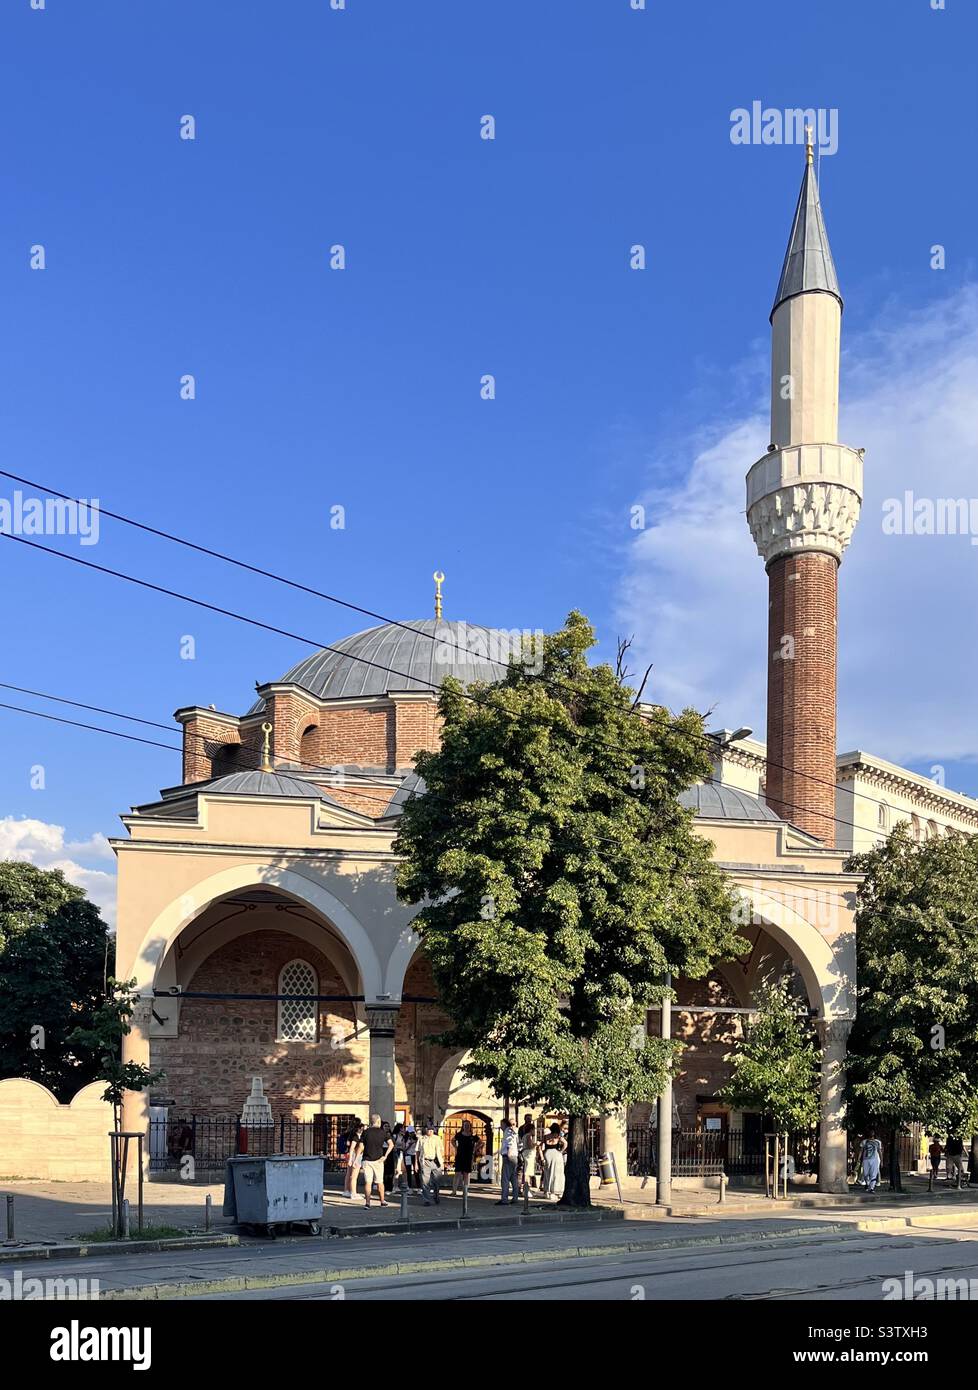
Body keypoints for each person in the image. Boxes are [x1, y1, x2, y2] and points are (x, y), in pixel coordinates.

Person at [358, 1114, 393, 1207]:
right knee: (380, 1182)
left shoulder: (366, 1132)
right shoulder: (383, 1132)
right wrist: (385, 1156)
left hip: (367, 1159)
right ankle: (382, 1201)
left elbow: (361, 1146)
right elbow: (391, 1144)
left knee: (368, 1182)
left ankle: (368, 1202)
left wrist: (357, 1157)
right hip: (379, 1160)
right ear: (378, 1121)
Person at [417, 1124, 444, 1205]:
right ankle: (426, 1200)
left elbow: (442, 1149)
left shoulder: (437, 1138)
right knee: (425, 1182)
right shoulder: (422, 1139)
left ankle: (436, 1196)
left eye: (432, 1130)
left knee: (437, 1181)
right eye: (429, 1130)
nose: (430, 1132)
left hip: (436, 1161)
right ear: (426, 1130)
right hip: (425, 1161)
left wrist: (442, 1160)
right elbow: (417, 1151)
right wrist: (416, 1163)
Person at [540, 1123, 567, 1201]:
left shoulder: (546, 1136)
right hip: (556, 1153)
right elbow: (565, 1143)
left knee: (547, 1172)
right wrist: (561, 1151)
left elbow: (540, 1146)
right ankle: (555, 1190)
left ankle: (547, 1191)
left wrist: (541, 1157)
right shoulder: (558, 1136)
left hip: (547, 1153)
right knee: (556, 1173)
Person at [452, 1120, 478, 1199]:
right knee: (457, 1173)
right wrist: (456, 1147)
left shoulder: (472, 1135)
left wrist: (475, 1149)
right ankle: (454, 1191)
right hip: (460, 1155)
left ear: (470, 1126)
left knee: (466, 1174)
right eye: (465, 1125)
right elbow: (452, 1140)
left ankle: (465, 1191)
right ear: (463, 1126)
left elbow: (481, 1142)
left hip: (468, 1156)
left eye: (468, 1125)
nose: (466, 1127)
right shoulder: (459, 1134)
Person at [497, 1117, 520, 1205]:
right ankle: (515, 1197)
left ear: (505, 1124)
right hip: (514, 1156)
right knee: (513, 1178)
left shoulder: (507, 1131)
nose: (501, 1126)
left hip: (508, 1156)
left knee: (505, 1178)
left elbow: (509, 1141)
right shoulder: (514, 1132)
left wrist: (509, 1152)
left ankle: (504, 1199)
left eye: (501, 1124)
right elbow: (519, 1143)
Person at [343, 1120, 365, 1199]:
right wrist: (351, 1160)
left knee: (350, 1174)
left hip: (354, 1156)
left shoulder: (354, 1136)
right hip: (356, 1156)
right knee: (354, 1176)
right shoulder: (356, 1137)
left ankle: (347, 1190)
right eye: (362, 1129)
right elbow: (352, 1148)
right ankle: (353, 1192)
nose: (363, 1130)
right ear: (358, 1129)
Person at [519, 1120, 539, 1198]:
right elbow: (530, 1145)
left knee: (526, 1171)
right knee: (528, 1172)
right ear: (531, 1129)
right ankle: (526, 1189)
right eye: (534, 1130)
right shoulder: (528, 1136)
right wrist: (536, 1144)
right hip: (529, 1154)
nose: (534, 1131)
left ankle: (527, 1189)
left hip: (526, 1153)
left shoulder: (524, 1136)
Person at [384, 1122, 403, 1192]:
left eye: (388, 1126)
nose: (387, 1127)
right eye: (385, 1126)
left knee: (394, 1170)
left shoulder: (392, 1135)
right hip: (387, 1152)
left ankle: (391, 1186)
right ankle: (387, 1186)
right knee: (386, 1171)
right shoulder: (393, 1135)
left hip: (393, 1153)